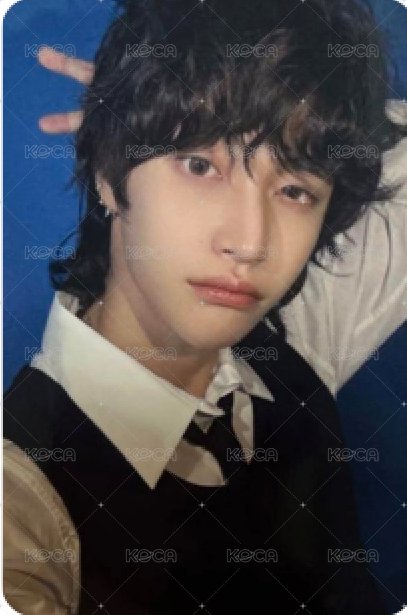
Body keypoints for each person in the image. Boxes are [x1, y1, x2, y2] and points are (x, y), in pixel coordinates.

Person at [3, 0, 407, 613]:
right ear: (109, 171)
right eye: (200, 164)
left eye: (294, 188)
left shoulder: (295, 339)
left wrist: (295, 109)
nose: (250, 243)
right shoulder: (23, 490)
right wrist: (135, 109)